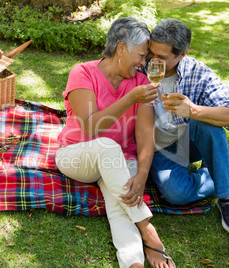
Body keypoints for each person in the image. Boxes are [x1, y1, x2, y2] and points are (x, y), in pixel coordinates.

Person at [55, 17, 176, 268]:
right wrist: (131, 98)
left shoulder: (141, 82)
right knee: (107, 146)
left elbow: (144, 133)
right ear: (121, 48)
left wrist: (142, 174)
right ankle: (148, 230)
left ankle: (133, 263)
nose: (144, 63)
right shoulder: (83, 72)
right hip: (78, 156)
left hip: (120, 161)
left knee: (122, 200)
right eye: (141, 55)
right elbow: (91, 126)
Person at [148, 18, 229, 236]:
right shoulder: (140, 64)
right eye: (151, 53)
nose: (153, 60)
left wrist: (193, 110)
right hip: (155, 145)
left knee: (208, 124)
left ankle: (226, 197)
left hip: (187, 139)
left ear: (182, 54)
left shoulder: (198, 72)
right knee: (176, 194)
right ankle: (220, 171)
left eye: (162, 57)